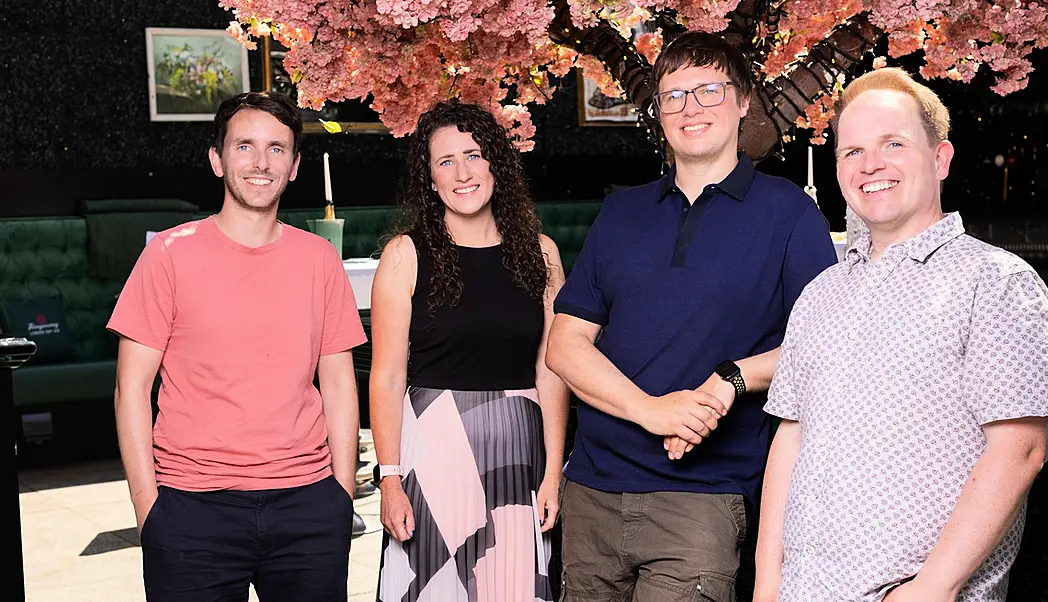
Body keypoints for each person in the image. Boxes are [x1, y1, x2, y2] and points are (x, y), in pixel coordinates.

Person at [545, 31, 837, 600]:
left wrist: (731, 379)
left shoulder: (791, 215)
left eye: (707, 90)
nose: (690, 108)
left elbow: (822, 349)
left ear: (743, 99)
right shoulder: (621, 212)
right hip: (591, 494)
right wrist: (653, 411)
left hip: (703, 500)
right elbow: (565, 346)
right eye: (673, 96)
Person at [755, 67, 1048, 602]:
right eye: (852, 151)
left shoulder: (996, 282)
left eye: (892, 144)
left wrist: (933, 588)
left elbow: (1018, 448)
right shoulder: (821, 293)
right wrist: (766, 581)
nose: (870, 164)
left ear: (941, 159)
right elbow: (791, 439)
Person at [109, 91, 366, 601]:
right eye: (244, 145)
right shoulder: (167, 255)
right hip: (191, 508)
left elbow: (338, 382)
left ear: (294, 167)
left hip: (308, 506)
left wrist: (340, 495)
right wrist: (148, 509)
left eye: (277, 149)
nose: (260, 162)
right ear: (216, 158)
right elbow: (130, 387)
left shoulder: (319, 259)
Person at [369, 101, 571, 601]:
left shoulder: (541, 253)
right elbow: (388, 377)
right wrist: (390, 480)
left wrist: (552, 473)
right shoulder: (405, 255)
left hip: (518, 452)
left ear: (495, 165)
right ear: (430, 179)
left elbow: (554, 370)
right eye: (445, 162)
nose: (462, 173)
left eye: (474, 155)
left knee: (513, 586)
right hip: (431, 450)